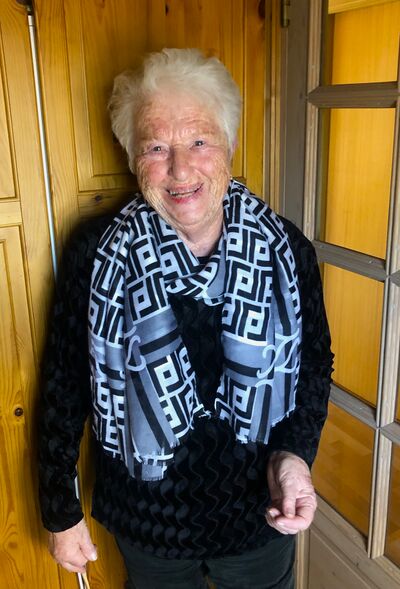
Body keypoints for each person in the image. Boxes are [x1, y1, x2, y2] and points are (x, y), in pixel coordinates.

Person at [39, 48, 333, 589]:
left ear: (230, 144)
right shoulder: (97, 254)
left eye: (199, 141)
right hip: (147, 520)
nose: (179, 169)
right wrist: (60, 511)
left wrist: (295, 455)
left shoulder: (285, 250)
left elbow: (314, 364)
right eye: (156, 147)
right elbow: (64, 383)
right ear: (133, 158)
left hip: (260, 510)